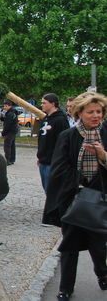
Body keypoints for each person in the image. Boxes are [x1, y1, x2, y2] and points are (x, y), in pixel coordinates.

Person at [42, 92, 107, 300]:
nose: (96, 115)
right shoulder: (68, 136)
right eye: (91, 112)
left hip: (100, 197)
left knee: (98, 242)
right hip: (73, 198)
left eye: (99, 111)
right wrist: (78, 182)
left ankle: (102, 272)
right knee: (70, 245)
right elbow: (59, 170)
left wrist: (103, 156)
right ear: (80, 113)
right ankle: (65, 288)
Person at [37, 93, 70, 193]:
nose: (42, 105)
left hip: (53, 162)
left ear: (53, 104)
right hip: (43, 160)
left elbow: (63, 142)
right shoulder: (46, 118)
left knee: (53, 190)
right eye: (41, 103)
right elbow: (42, 139)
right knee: (47, 189)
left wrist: (59, 160)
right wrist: (40, 156)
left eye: (44, 103)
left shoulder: (60, 120)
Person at [1, 100, 19, 165]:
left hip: (10, 131)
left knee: (7, 146)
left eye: (6, 106)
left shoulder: (10, 113)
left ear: (10, 106)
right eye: (4, 106)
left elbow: (7, 124)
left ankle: (7, 160)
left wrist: (3, 133)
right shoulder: (13, 112)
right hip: (14, 131)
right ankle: (12, 159)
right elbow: (8, 120)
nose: (4, 107)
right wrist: (2, 118)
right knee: (12, 145)